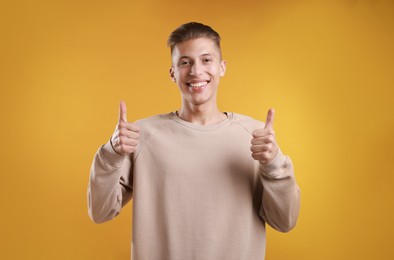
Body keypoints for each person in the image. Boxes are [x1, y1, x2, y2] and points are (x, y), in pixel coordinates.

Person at [88, 22, 300, 260]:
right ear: (173, 73)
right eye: (185, 62)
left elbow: (285, 221)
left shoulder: (256, 138)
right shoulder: (142, 136)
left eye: (206, 60)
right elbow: (100, 212)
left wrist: (274, 164)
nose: (196, 71)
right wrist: (110, 153)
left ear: (222, 67)